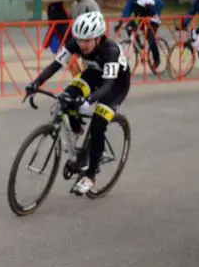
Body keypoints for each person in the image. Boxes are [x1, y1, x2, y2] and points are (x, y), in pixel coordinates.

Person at [25, 11, 131, 196]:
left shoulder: (110, 50)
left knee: (98, 123)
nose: (82, 45)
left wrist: (88, 100)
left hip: (115, 83)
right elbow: (55, 64)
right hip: (94, 73)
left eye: (87, 41)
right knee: (65, 99)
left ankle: (90, 176)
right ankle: (77, 128)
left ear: (98, 38)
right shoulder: (77, 44)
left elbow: (108, 84)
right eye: (80, 40)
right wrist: (36, 83)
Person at [113, 0, 162, 68]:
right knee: (129, 27)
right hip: (141, 19)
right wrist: (120, 24)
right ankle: (139, 47)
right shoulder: (132, 0)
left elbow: (160, 3)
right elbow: (126, 11)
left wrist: (154, 12)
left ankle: (156, 59)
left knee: (150, 38)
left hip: (152, 20)